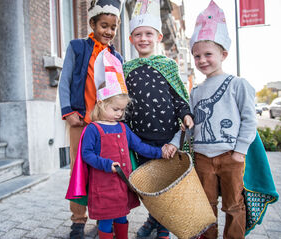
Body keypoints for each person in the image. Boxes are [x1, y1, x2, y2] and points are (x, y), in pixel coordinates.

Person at [79, 49, 171, 238]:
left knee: (121, 216)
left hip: (122, 184)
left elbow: (139, 146)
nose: (120, 114)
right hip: (103, 185)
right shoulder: (93, 129)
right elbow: (86, 154)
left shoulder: (123, 128)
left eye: (122, 110)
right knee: (105, 219)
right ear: (101, 104)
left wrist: (159, 152)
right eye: (115, 109)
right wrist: (106, 164)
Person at [123, 0, 194, 238]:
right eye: (138, 34)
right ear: (131, 39)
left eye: (148, 34)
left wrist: (185, 114)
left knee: (167, 187)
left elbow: (178, 97)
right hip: (140, 140)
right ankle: (154, 218)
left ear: (159, 37)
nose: (143, 38)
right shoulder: (127, 69)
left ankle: (163, 227)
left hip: (166, 139)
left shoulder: (168, 66)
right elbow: (123, 103)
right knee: (149, 186)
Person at [188, 1, 257, 238]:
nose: (202, 60)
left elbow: (249, 119)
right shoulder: (195, 91)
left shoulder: (237, 84)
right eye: (197, 56)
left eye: (208, 54)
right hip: (202, 157)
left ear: (223, 54)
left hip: (230, 156)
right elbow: (191, 124)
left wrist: (240, 151)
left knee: (233, 204)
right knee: (205, 206)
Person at [58, 1, 124, 238]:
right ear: (93, 24)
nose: (108, 31)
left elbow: (119, 92)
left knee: (104, 171)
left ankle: (104, 218)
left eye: (113, 27)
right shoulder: (77, 47)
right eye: (104, 25)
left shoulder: (117, 56)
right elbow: (65, 80)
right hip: (81, 121)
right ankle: (77, 221)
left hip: (105, 125)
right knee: (79, 170)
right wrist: (68, 111)